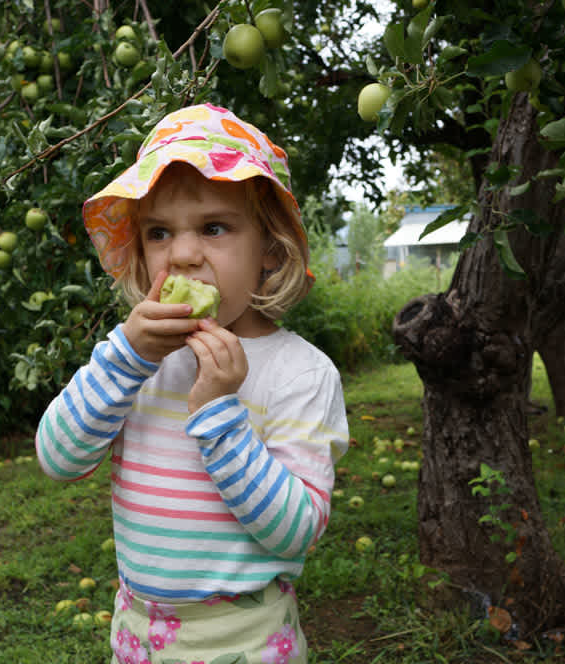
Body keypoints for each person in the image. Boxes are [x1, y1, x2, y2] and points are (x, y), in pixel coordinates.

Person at [36, 103, 349, 664]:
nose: (182, 254)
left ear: (270, 252)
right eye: (159, 233)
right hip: (139, 634)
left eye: (213, 227)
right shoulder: (135, 360)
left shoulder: (300, 373)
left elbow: (296, 532)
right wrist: (125, 360)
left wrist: (219, 414)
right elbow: (58, 459)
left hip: (248, 639)